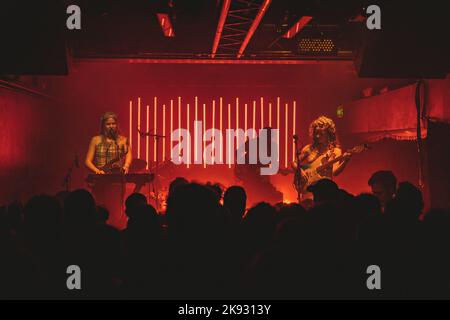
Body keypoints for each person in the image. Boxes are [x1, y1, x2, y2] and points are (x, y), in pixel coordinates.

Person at [84, 112, 132, 229]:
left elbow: (129, 155)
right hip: (100, 178)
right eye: (108, 124)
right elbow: (87, 161)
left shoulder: (123, 140)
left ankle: (117, 227)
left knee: (116, 205)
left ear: (117, 125)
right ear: (103, 125)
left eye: (113, 123)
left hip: (117, 179)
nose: (111, 126)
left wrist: (126, 166)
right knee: (100, 204)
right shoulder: (95, 140)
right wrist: (96, 170)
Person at [292, 116, 351, 200]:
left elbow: (334, 172)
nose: (317, 136)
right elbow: (294, 163)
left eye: (321, 134)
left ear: (329, 134)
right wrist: (300, 171)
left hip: (325, 191)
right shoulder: (308, 149)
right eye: (316, 133)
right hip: (308, 189)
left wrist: (345, 161)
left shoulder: (335, 151)